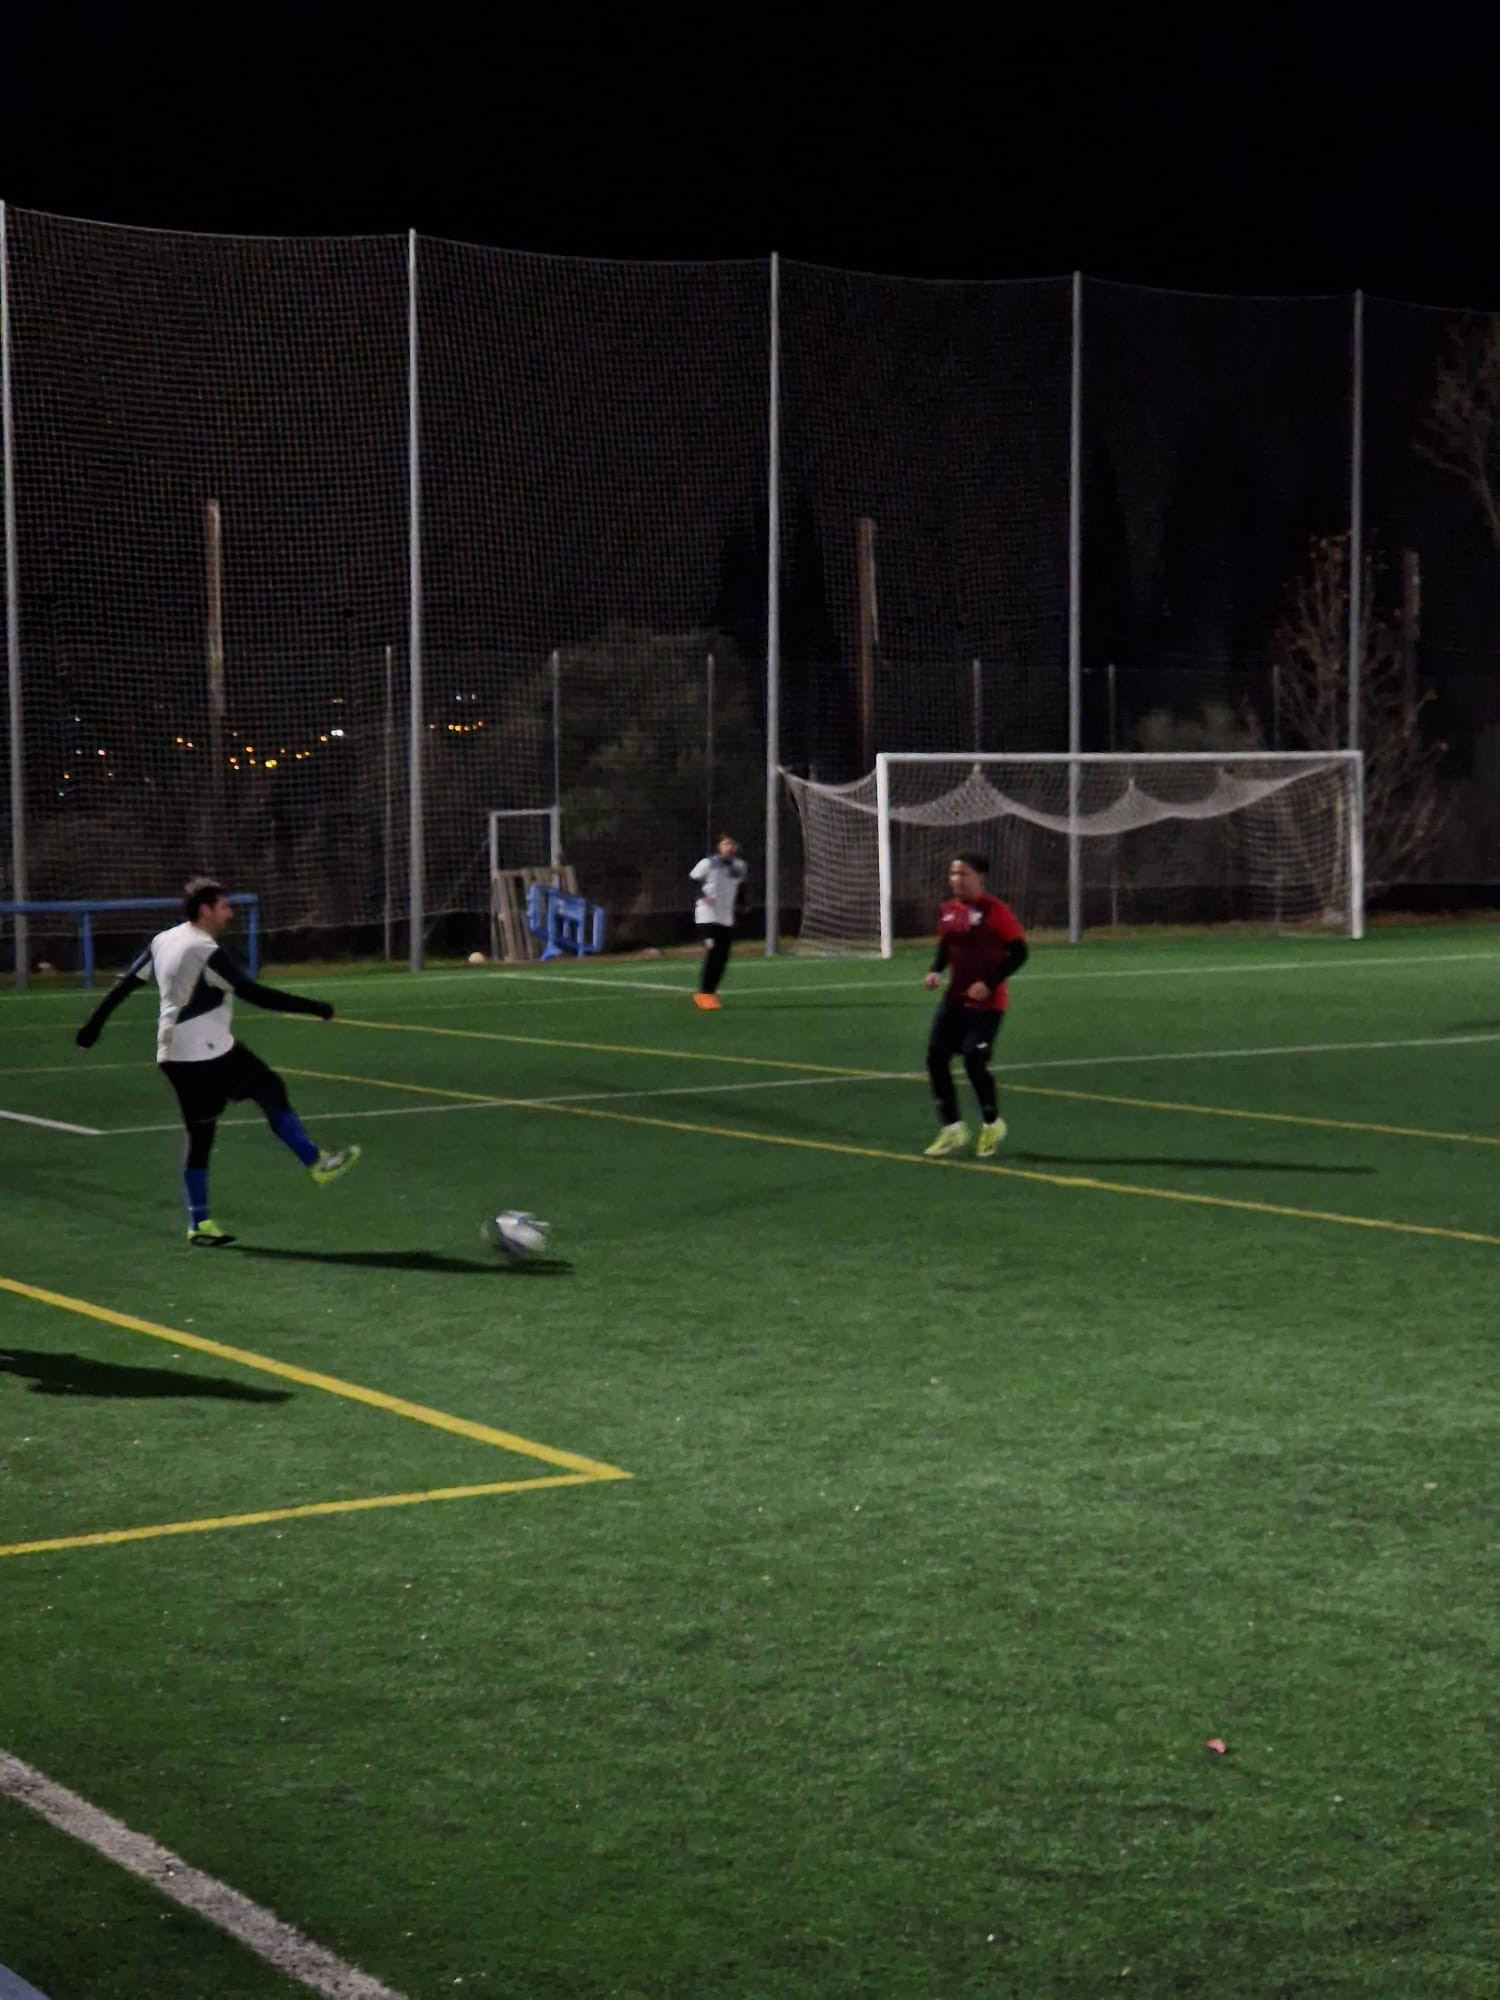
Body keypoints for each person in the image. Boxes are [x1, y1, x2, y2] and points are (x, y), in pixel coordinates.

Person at [74, 877, 361, 1245]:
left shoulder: (163, 941)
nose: (230, 913)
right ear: (205, 910)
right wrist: (315, 1008)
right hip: (205, 1050)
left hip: (172, 1054)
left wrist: (91, 1029)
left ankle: (200, 1223)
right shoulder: (205, 951)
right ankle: (316, 1162)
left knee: (201, 1135)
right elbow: (253, 993)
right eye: (224, 906)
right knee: (267, 1086)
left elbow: (124, 985)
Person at [922, 853, 1028, 1159]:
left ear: (979, 877)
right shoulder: (948, 911)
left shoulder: (996, 911)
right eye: (953, 873)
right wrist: (935, 970)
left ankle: (992, 1124)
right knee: (936, 1059)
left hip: (988, 1004)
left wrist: (989, 982)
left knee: (973, 1060)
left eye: (963, 873)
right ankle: (952, 1129)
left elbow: (1019, 953)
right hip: (954, 1000)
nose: (956, 879)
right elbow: (946, 945)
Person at [689, 834, 749, 1010]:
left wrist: (743, 903)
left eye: (732, 843)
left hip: (725, 916)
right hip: (707, 914)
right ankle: (703, 993)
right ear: (719, 846)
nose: (729, 847)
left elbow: (740, 886)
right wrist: (703, 895)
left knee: (722, 956)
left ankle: (710, 993)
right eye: (726, 843)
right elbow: (693, 881)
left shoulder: (739, 865)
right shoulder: (708, 863)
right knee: (712, 948)